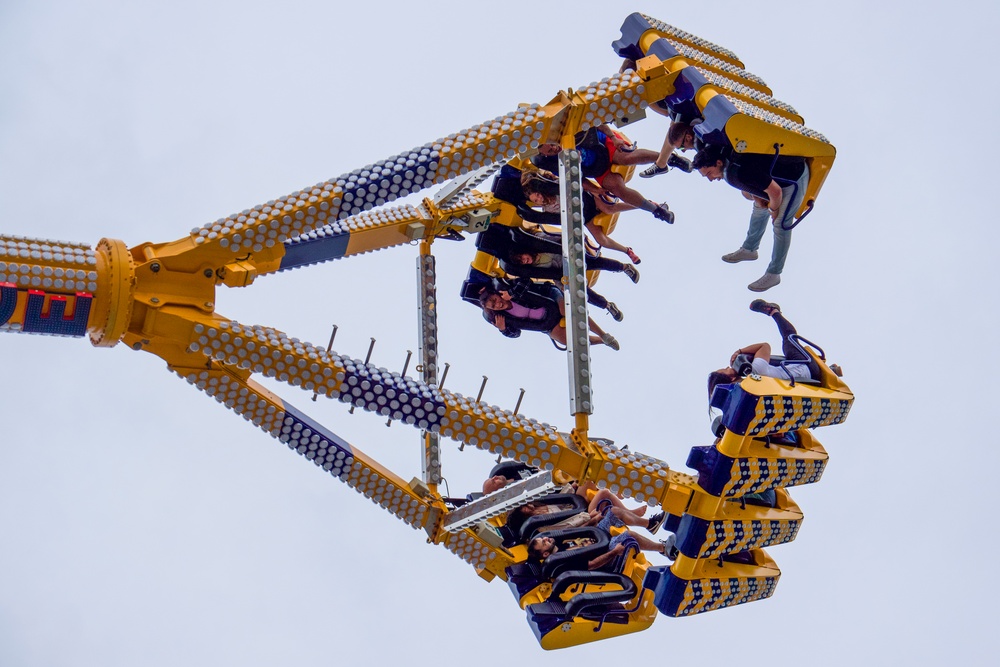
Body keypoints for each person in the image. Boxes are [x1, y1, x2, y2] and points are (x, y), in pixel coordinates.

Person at [692, 146, 810, 292]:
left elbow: (776, 192)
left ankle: (774, 273)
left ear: (718, 163)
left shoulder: (740, 171)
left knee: (781, 224)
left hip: (793, 178)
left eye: (709, 173)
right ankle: (750, 249)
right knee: (759, 206)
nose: (710, 179)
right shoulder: (730, 164)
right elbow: (754, 188)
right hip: (775, 178)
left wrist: (773, 210)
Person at [532, 126, 675, 223]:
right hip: (595, 167)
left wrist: (613, 138)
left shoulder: (564, 128)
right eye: (550, 151)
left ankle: (670, 158)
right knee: (617, 190)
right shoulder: (551, 163)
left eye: (551, 144)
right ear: (544, 155)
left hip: (604, 145)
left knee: (626, 158)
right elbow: (577, 179)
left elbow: (597, 122)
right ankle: (657, 210)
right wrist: (596, 190)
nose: (554, 147)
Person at [706, 300, 843, 401]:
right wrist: (740, 352)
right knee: (788, 337)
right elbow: (764, 346)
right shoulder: (754, 374)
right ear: (730, 378)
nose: (726, 366)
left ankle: (829, 369)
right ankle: (773, 311)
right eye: (724, 370)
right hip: (805, 367)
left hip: (803, 380)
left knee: (781, 349)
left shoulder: (749, 389)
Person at [520, 168, 642, 264]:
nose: (539, 199)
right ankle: (627, 251)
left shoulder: (555, 185)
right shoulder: (547, 209)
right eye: (536, 200)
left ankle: (640, 204)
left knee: (608, 208)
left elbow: (577, 185)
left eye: (538, 195)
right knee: (601, 240)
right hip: (583, 216)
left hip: (587, 200)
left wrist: (596, 191)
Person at [478, 283, 620, 350]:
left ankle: (603, 334)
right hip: (546, 323)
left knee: (570, 312)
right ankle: (602, 341)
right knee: (566, 341)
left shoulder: (512, 290)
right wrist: (503, 330)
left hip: (551, 303)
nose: (498, 304)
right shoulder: (503, 318)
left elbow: (532, 284)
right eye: (493, 306)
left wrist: (512, 292)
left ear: (497, 294)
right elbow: (516, 334)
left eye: (495, 300)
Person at [508, 490, 666, 537]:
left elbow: (564, 498)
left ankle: (631, 513)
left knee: (598, 488)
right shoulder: (542, 526)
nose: (526, 506)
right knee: (610, 505)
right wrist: (591, 519)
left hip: (578, 506)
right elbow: (569, 527)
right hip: (584, 517)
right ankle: (649, 524)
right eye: (522, 509)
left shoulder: (542, 503)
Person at [527, 530, 676, 569]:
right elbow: (591, 565)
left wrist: (594, 519)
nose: (546, 539)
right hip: (606, 552)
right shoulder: (562, 559)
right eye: (544, 543)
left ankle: (650, 523)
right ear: (546, 554)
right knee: (629, 535)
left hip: (599, 538)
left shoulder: (558, 540)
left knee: (613, 511)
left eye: (543, 538)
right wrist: (614, 552)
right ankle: (665, 549)